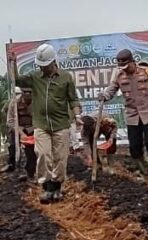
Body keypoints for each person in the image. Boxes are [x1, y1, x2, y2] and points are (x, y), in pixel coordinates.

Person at [9, 43, 82, 203]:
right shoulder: (35, 77)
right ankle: (46, 188)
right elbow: (17, 81)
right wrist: (13, 64)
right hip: (41, 125)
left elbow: (73, 99)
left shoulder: (65, 77)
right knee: (43, 154)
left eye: (45, 65)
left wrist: (77, 116)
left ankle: (57, 187)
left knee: (61, 158)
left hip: (61, 125)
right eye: (40, 65)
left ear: (53, 62)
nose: (42, 68)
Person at [100, 49, 148, 186]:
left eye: (126, 65)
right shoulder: (119, 75)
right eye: (121, 66)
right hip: (132, 116)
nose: (124, 69)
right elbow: (111, 90)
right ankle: (143, 171)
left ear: (132, 61)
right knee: (135, 147)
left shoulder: (147, 72)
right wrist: (104, 96)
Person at [1, 87, 36, 181]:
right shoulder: (14, 103)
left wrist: (32, 130)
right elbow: (10, 121)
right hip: (17, 127)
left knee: (31, 150)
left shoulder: (36, 103)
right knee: (13, 145)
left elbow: (39, 120)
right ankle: (11, 165)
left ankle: (30, 171)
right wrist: (20, 132)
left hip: (31, 127)